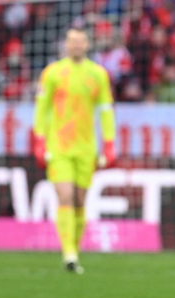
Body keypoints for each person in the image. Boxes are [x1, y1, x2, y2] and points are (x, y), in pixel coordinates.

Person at [33, 28, 116, 274]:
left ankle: (73, 252)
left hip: (86, 148)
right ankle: (68, 253)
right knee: (65, 196)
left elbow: (105, 110)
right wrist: (39, 140)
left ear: (87, 44)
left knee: (80, 200)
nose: (76, 45)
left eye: (80, 41)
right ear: (66, 45)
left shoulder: (98, 74)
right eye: (72, 41)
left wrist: (109, 143)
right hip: (58, 146)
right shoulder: (52, 73)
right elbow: (41, 107)